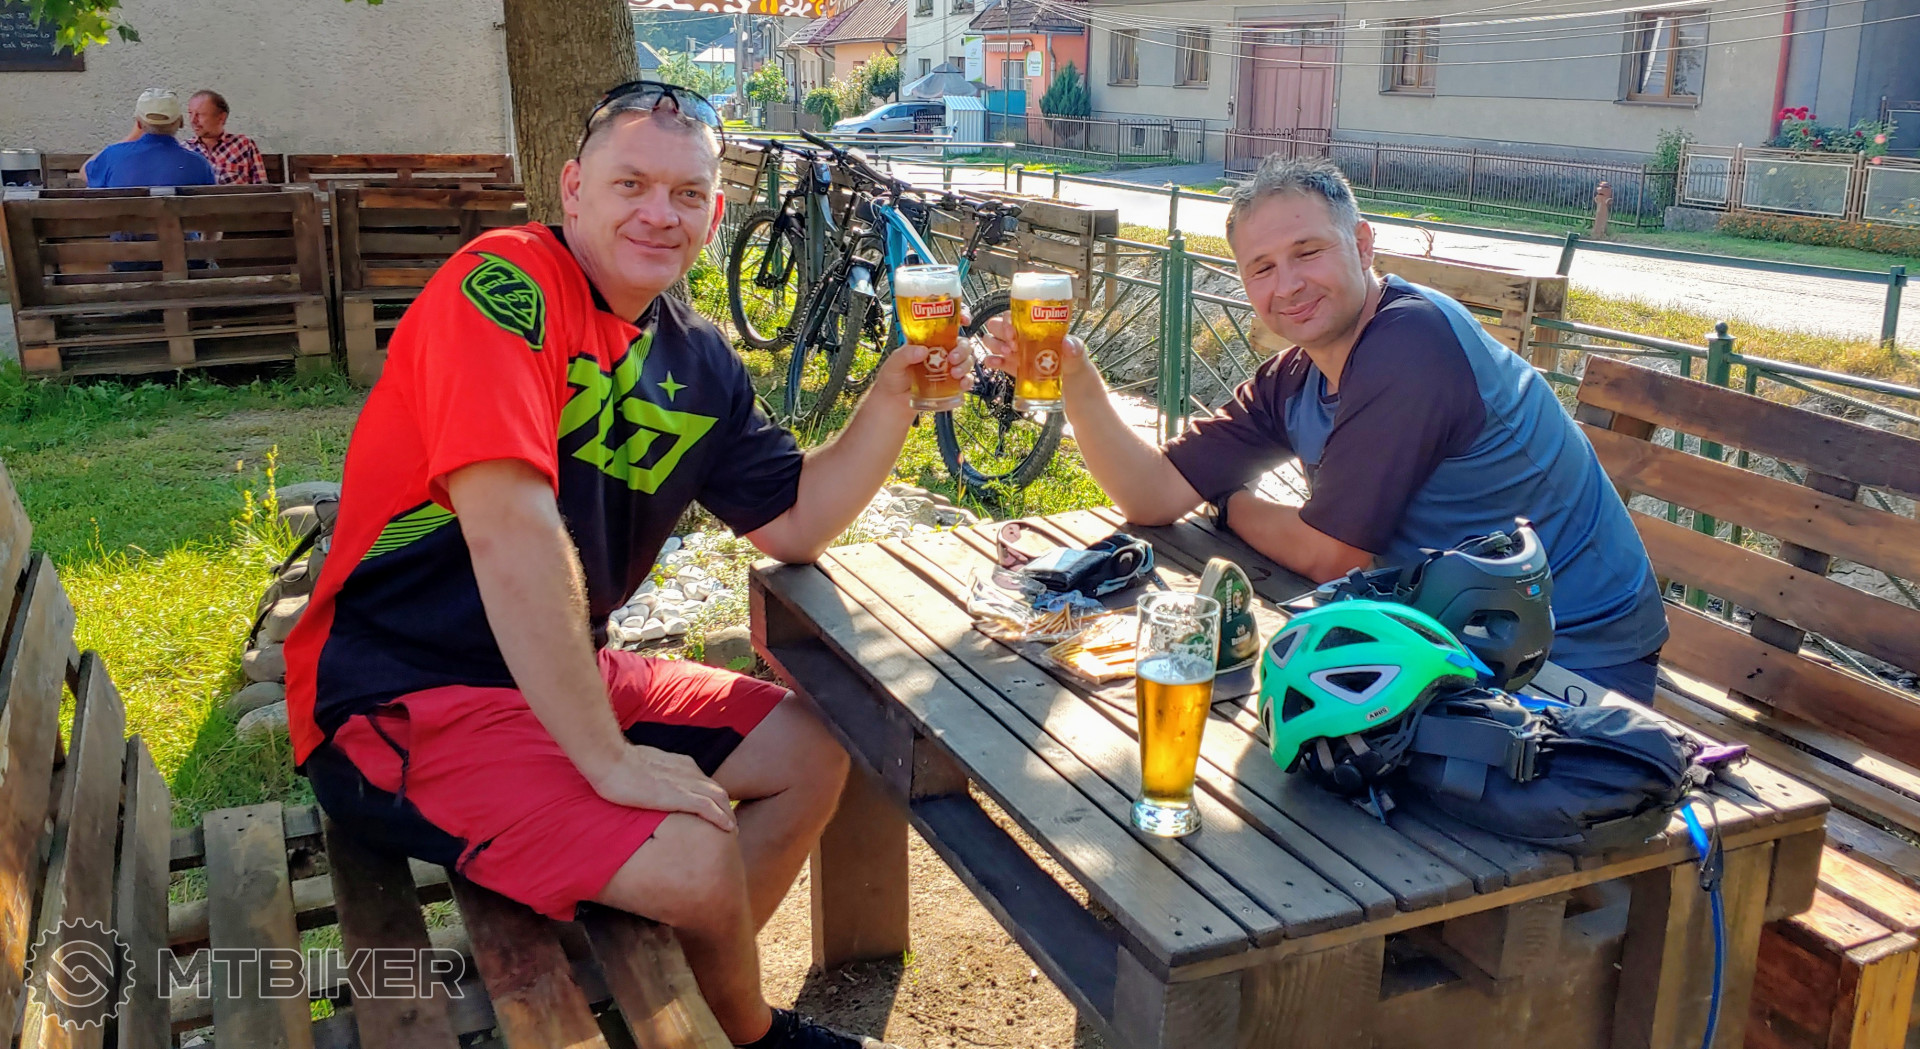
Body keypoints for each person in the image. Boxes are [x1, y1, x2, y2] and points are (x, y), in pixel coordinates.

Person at [285, 81, 960, 1049]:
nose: (659, 213)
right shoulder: (504, 286)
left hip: (564, 676)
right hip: (400, 698)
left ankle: (674, 1008)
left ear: (715, 218)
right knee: (693, 854)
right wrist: (605, 757)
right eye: (630, 183)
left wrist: (891, 398)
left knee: (815, 747)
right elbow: (509, 527)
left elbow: (795, 522)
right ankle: (746, 1034)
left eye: (688, 194)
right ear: (573, 189)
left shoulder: (699, 359)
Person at [978, 156, 1670, 701]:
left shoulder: (1412, 344)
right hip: (1453, 634)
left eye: (1307, 252)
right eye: (1262, 268)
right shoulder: (1297, 375)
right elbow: (1151, 495)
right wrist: (1076, 377)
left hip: (1571, 663)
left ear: (1362, 244)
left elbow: (1334, 557)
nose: (1288, 285)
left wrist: (1231, 504)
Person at [82, 89, 216, 189]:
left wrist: (133, 135)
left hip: (125, 220)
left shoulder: (112, 156)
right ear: (180, 122)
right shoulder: (199, 165)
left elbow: (84, 174)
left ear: (139, 124)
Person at [184, 89, 269, 185]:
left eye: (200, 114)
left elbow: (262, 187)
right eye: (190, 113)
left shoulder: (244, 145)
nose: (193, 120)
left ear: (221, 117)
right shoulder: (184, 149)